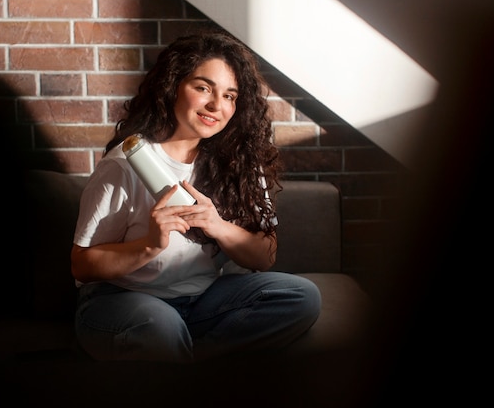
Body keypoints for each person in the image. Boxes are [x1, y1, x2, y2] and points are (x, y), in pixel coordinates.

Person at [71, 31, 321, 363]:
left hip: (201, 301)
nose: (217, 106)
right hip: (123, 301)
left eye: (230, 96)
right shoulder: (124, 165)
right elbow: (81, 265)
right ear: (172, 85)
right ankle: (178, 354)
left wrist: (217, 226)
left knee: (302, 297)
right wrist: (149, 244)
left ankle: (188, 358)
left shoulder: (238, 163)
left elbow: (265, 256)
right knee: (160, 326)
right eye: (203, 88)